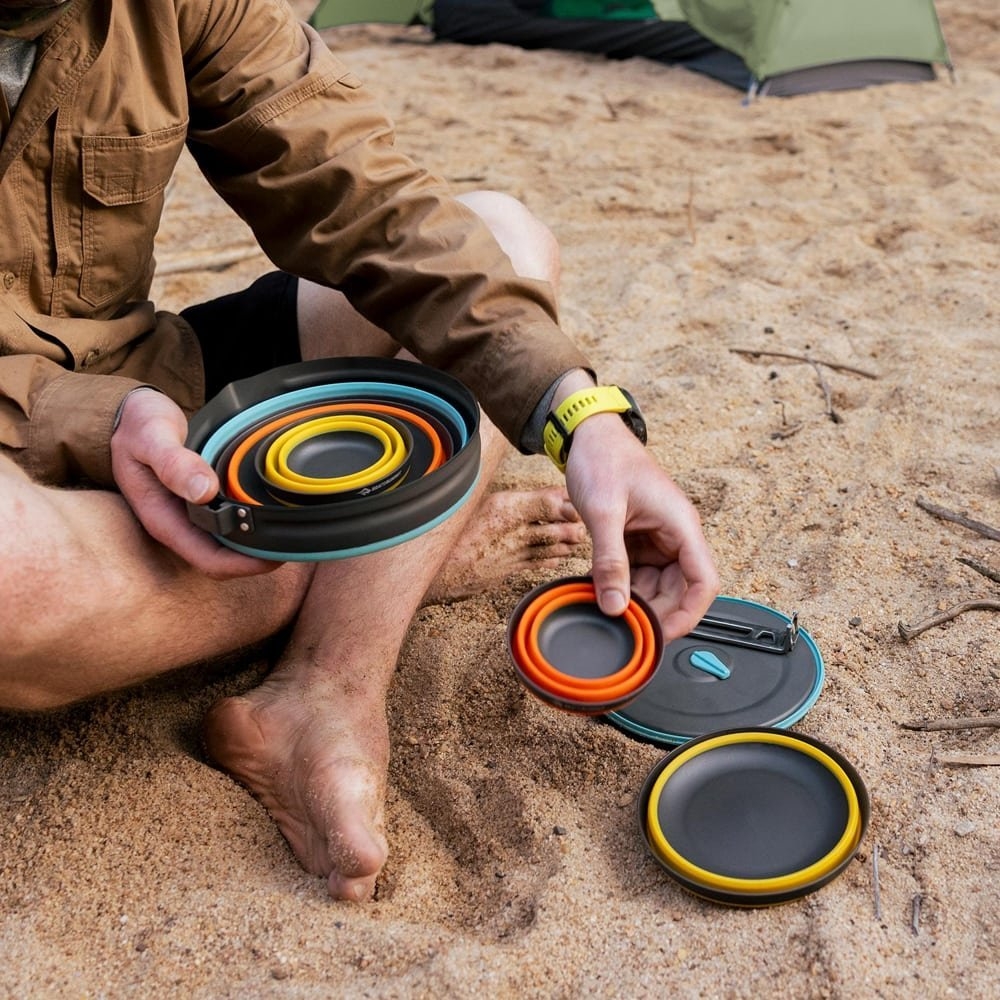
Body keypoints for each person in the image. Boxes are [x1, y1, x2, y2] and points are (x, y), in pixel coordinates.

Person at [0, 0, 720, 900]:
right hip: (41, 443)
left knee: (502, 238)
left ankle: (327, 689)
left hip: (154, 381)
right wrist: (95, 418)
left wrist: (586, 420)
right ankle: (401, 555)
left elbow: (366, 194)